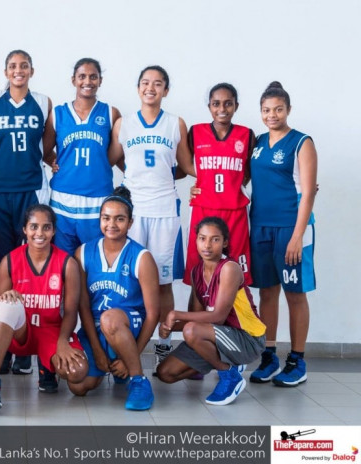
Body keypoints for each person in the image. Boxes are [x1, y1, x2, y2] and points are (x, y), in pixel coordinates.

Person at [0, 49, 55, 376]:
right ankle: (7, 343)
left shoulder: (43, 102)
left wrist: (51, 161)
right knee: (4, 270)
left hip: (31, 191)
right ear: (5, 71)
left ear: (32, 70)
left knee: (28, 270)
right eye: (13, 66)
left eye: (24, 65)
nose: (18, 70)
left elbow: (47, 146)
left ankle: (25, 345)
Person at [115, 65, 193, 371]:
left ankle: (163, 344)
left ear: (166, 90)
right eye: (145, 83)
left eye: (158, 83)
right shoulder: (124, 123)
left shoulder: (175, 123)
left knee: (163, 283)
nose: (151, 88)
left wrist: (229, 176)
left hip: (164, 210)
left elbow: (186, 165)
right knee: (129, 280)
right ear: (138, 88)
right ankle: (127, 342)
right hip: (133, 211)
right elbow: (112, 158)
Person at [0, 204, 88, 411]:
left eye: (46, 227)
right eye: (34, 227)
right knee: (7, 304)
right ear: (25, 230)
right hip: (22, 332)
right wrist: (7, 297)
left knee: (77, 372)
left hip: (51, 331)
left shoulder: (67, 263)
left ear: (53, 231)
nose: (40, 233)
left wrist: (63, 341)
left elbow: (71, 311)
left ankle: (47, 368)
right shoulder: (10, 260)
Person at [248, 82, 318, 387]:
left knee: (295, 293)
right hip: (260, 226)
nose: (272, 115)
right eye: (266, 110)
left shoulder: (302, 142)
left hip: (291, 227)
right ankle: (269, 356)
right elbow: (240, 178)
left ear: (288, 110)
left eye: (278, 109)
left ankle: (297, 360)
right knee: (267, 292)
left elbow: (308, 193)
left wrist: (297, 236)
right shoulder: (258, 142)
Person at [156, 217, 266, 405]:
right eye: (202, 238)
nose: (207, 245)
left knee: (191, 330)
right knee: (165, 373)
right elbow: (197, 319)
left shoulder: (229, 268)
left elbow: (218, 317)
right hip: (219, 335)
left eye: (215, 239)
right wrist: (169, 326)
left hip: (248, 338)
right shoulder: (196, 272)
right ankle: (226, 362)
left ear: (225, 243)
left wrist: (175, 315)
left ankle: (229, 376)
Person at [71, 186, 160, 410]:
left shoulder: (141, 257)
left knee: (110, 318)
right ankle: (112, 363)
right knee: (78, 386)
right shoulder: (83, 252)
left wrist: (135, 354)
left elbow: (153, 314)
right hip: (97, 329)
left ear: (130, 223)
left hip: (128, 325)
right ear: (99, 219)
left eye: (120, 219)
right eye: (106, 218)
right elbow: (83, 307)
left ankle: (138, 378)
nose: (112, 224)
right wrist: (97, 351)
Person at [46, 57, 122, 256]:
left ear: (100, 80)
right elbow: (44, 150)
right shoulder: (58, 113)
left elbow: (114, 156)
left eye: (93, 77)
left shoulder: (111, 113)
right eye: (82, 76)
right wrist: (55, 162)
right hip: (63, 199)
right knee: (64, 262)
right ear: (73, 80)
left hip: (97, 199)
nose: (87, 81)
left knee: (93, 260)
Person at [185, 83, 255, 287]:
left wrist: (235, 185)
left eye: (228, 103)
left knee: (236, 273)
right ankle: (199, 309)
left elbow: (251, 169)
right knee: (199, 273)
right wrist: (201, 181)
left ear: (236, 106)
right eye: (216, 104)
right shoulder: (195, 132)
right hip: (203, 208)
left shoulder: (247, 135)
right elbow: (185, 165)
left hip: (235, 210)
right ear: (209, 106)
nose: (222, 109)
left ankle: (233, 309)